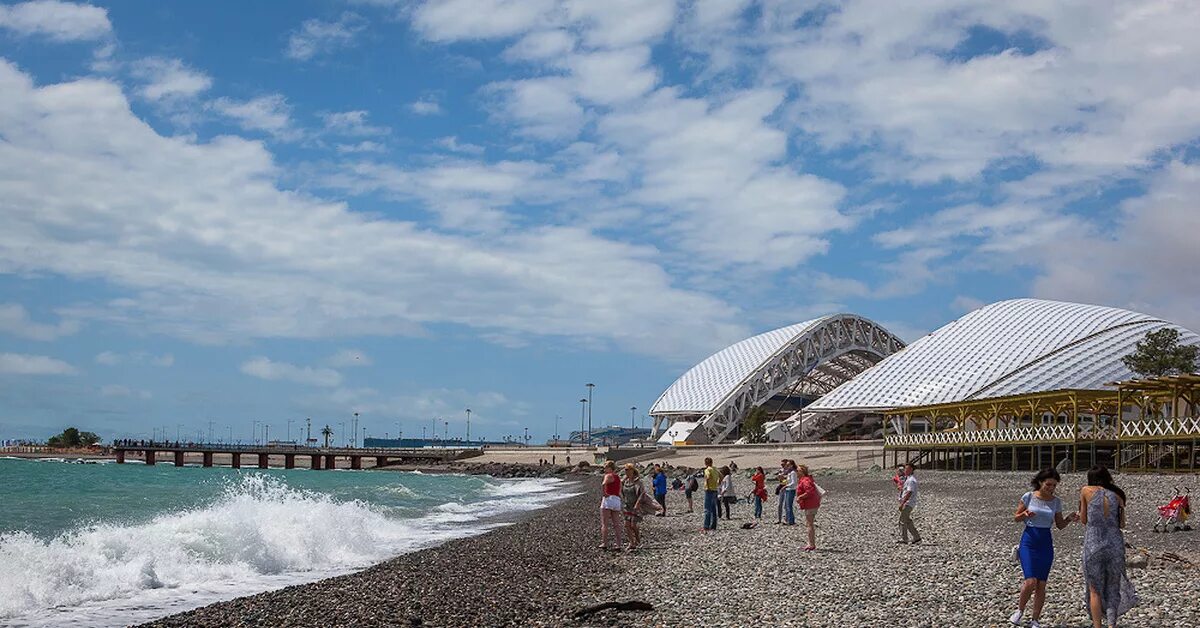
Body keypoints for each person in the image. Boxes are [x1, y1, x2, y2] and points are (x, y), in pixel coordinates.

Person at [1010, 468, 1077, 628]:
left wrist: (1068, 519)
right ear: (1040, 482)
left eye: (1054, 485)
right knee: (1030, 581)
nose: (1051, 488)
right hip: (1029, 541)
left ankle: (1035, 620)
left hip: (1045, 543)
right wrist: (1025, 515)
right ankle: (1019, 611)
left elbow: (1059, 525)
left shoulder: (1056, 501)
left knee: (1041, 584)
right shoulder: (1028, 496)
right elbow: (1016, 518)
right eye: (1048, 484)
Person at [1080, 465, 1137, 628]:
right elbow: (1122, 523)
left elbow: (1084, 520)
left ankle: (1098, 626)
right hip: (1115, 544)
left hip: (1094, 543)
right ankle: (1112, 625)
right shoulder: (1118, 495)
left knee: (1094, 589)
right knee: (1113, 587)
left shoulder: (1086, 490)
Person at [621, 463, 647, 551]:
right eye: (625, 470)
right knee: (626, 525)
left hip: (636, 506)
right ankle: (631, 543)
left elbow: (642, 493)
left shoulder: (638, 481)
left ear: (632, 470)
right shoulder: (624, 481)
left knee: (633, 525)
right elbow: (622, 492)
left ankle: (637, 538)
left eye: (627, 470)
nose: (626, 471)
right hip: (627, 506)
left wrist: (637, 504)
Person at [795, 464, 822, 550]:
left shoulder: (805, 480)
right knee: (809, 523)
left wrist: (800, 497)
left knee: (809, 524)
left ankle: (811, 544)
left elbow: (810, 491)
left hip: (810, 504)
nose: (796, 472)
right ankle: (811, 543)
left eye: (798, 471)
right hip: (812, 503)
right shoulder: (804, 479)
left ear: (802, 472)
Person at [599, 461, 623, 550]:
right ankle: (618, 544)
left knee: (605, 523)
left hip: (609, 499)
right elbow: (620, 489)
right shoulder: (618, 477)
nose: (604, 469)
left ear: (610, 468)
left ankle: (604, 543)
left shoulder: (608, 476)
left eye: (605, 467)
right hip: (616, 499)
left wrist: (604, 493)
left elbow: (603, 484)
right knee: (616, 524)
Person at [897, 463, 921, 544]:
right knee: (907, 520)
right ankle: (916, 537)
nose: (905, 470)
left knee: (902, 520)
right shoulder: (909, 479)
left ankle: (904, 539)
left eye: (907, 469)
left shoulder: (911, 480)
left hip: (908, 503)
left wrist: (903, 503)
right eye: (905, 469)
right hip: (908, 503)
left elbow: (910, 492)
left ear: (911, 470)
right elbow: (906, 490)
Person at [703, 457, 720, 530]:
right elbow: (721, 476)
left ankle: (706, 526)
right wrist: (718, 483)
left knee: (707, 509)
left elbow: (708, 476)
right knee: (713, 509)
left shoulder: (707, 469)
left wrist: (708, 486)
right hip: (715, 490)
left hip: (709, 490)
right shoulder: (715, 469)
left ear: (706, 463)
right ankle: (713, 525)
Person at [782, 460, 798, 525]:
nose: (787, 466)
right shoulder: (790, 472)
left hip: (791, 490)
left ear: (792, 465)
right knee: (786, 505)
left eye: (788, 465)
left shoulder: (793, 472)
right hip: (788, 489)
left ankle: (790, 521)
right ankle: (788, 519)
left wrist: (786, 486)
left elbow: (794, 482)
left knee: (789, 505)